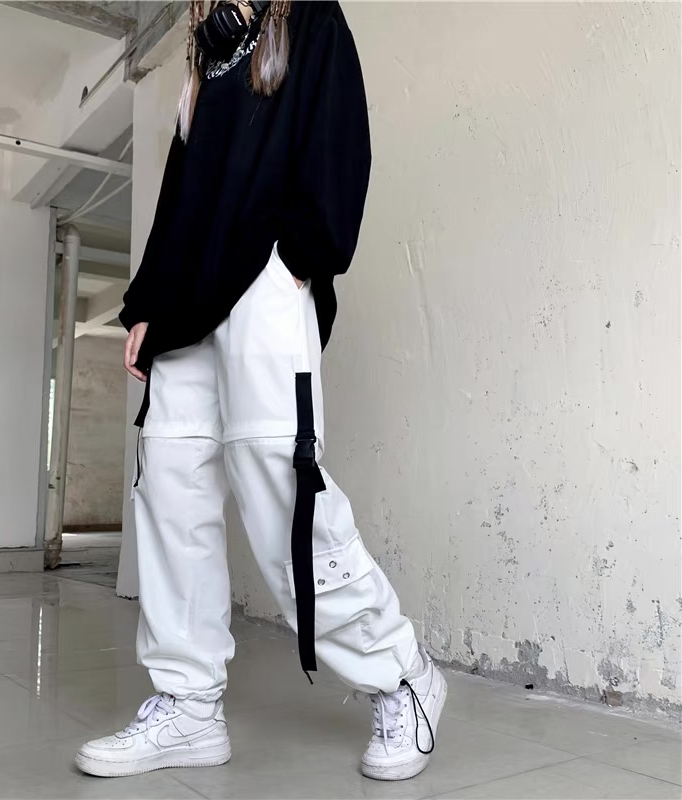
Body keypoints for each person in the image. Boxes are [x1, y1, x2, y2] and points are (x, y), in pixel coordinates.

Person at [75, 0, 447, 783]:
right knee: (169, 489)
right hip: (186, 303)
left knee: (281, 489)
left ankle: (403, 677)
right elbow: (180, 197)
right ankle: (188, 706)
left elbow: (341, 141)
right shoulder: (205, 55)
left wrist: (299, 258)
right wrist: (145, 303)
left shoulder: (309, 18)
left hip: (265, 284)